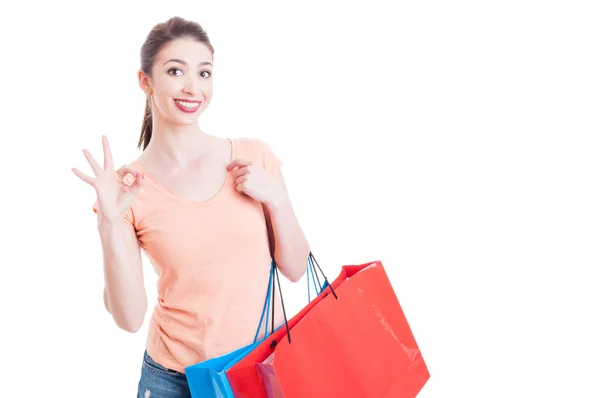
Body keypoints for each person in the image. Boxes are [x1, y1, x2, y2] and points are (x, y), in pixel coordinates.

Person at [71, 16, 310, 397]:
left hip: (262, 370)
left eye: (204, 73)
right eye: (175, 70)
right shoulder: (126, 189)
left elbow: (296, 269)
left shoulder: (253, 158)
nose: (192, 87)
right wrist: (111, 223)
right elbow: (129, 317)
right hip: (175, 381)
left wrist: (276, 199)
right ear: (145, 81)